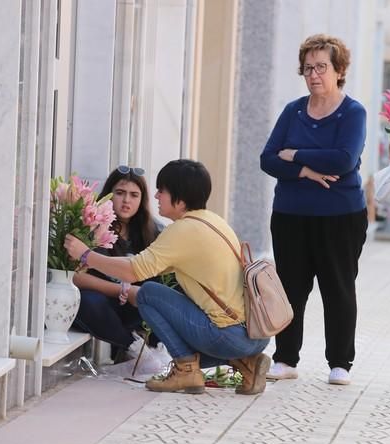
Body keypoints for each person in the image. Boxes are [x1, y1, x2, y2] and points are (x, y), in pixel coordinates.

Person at [64, 159, 271, 395]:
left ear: (180, 200)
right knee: (160, 295)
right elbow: (142, 266)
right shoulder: (214, 221)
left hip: (228, 337)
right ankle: (247, 363)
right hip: (255, 335)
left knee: (149, 294)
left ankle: (186, 370)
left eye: (162, 191)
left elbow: (133, 271)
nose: (155, 196)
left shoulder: (182, 231)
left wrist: (86, 255)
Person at [259, 34, 368, 385]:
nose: (313, 75)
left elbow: (345, 160)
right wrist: (305, 170)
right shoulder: (293, 111)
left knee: (337, 288)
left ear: (339, 70)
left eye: (321, 67)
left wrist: (295, 155)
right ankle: (286, 358)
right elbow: (267, 159)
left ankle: (340, 363)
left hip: (340, 216)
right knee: (290, 288)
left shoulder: (353, 112)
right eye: (308, 68)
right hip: (291, 215)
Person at [72, 166, 161, 363]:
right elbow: (75, 276)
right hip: (103, 301)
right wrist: (122, 290)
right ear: (109, 194)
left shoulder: (153, 231)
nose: (126, 200)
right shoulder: (91, 225)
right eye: (120, 193)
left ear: (142, 199)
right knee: (87, 302)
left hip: (134, 306)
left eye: (134, 195)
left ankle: (162, 352)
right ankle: (133, 349)